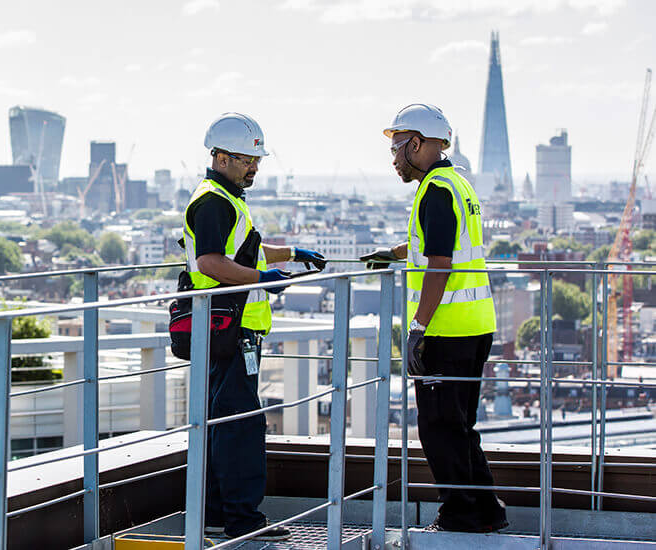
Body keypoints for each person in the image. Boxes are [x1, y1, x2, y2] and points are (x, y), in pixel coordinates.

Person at [360, 103, 508, 533]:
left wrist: (417, 330)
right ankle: (486, 512)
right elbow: (436, 243)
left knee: (439, 428)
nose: (392, 158)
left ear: (419, 144)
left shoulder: (436, 190)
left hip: (447, 331)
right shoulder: (457, 183)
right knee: (460, 426)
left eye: (397, 147)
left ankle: (461, 515)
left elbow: (440, 263)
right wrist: (396, 252)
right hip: (475, 325)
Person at [182, 112, 326, 540]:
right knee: (241, 424)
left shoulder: (226, 200)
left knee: (221, 421)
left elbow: (247, 253)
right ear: (221, 157)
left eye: (256, 160)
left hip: (227, 325)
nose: (254, 167)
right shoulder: (213, 202)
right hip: (231, 327)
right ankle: (243, 520)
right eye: (247, 159)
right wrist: (264, 279)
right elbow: (211, 262)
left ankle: (214, 514)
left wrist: (292, 254)